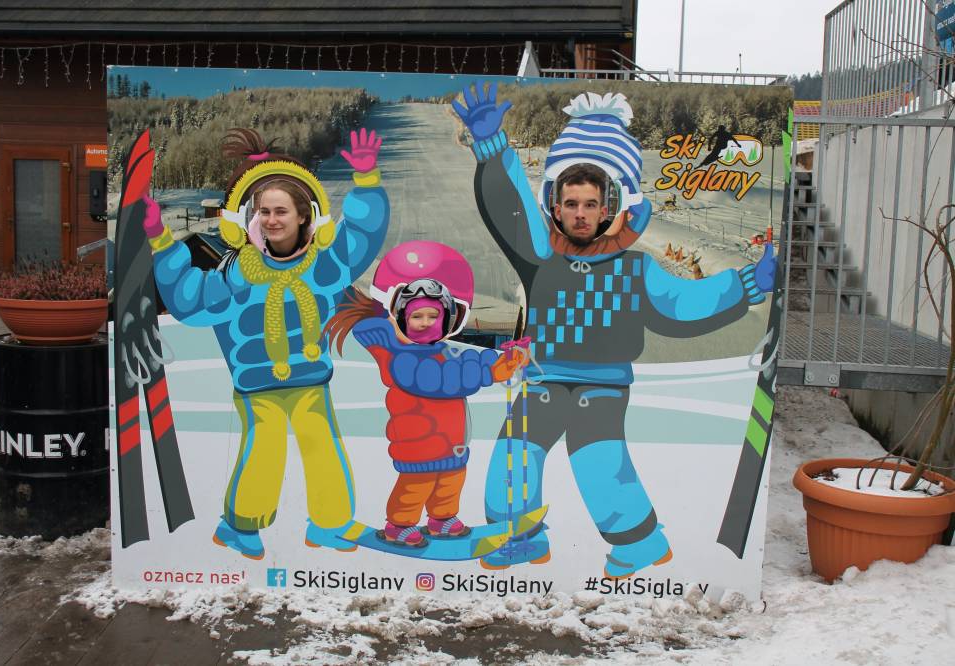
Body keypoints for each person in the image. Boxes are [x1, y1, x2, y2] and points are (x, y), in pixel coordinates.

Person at [453, 84, 776, 578]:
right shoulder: (540, 256)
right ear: (554, 206)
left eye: (591, 203)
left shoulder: (635, 268)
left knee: (600, 465)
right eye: (570, 203)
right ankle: (519, 536)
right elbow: (509, 206)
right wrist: (494, 150)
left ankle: (640, 543)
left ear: (612, 206)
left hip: (601, 388)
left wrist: (745, 284)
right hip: (541, 379)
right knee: (514, 458)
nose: (580, 213)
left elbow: (683, 304)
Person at [141, 127, 389, 560]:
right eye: (264, 211)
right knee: (265, 450)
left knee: (323, 446)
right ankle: (239, 526)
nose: (272, 220)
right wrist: (160, 240)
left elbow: (361, 237)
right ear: (250, 218)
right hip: (258, 387)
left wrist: (367, 181)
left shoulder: (323, 266)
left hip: (310, 380)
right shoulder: (237, 273)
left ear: (304, 215)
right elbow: (188, 299)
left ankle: (330, 524)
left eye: (281, 211)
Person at [323, 240, 528, 548]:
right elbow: (442, 379)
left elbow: (468, 360)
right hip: (419, 443)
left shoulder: (440, 350)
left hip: (450, 443)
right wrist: (492, 371)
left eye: (433, 317)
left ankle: (442, 519)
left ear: (447, 319)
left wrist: (501, 361)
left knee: (450, 482)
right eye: (417, 317)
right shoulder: (403, 359)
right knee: (415, 486)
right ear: (401, 318)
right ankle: (399, 525)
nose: (426, 323)